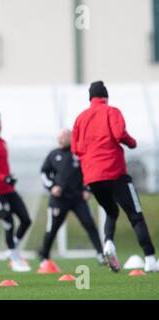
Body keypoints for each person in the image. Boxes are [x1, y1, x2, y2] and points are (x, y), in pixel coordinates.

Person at [71, 80, 158, 273]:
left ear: (90, 98)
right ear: (105, 97)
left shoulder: (80, 118)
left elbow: (75, 149)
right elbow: (119, 134)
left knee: (111, 211)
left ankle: (108, 243)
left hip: (93, 178)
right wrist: (132, 142)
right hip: (114, 172)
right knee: (135, 215)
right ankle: (151, 258)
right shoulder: (111, 111)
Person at [39, 128, 104, 265]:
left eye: (63, 137)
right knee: (52, 229)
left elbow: (89, 171)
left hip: (78, 199)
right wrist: (52, 187)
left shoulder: (80, 153)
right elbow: (44, 173)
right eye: (59, 137)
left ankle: (100, 254)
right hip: (58, 200)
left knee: (90, 225)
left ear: (70, 137)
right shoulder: (53, 154)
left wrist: (88, 189)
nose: (60, 139)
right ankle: (44, 257)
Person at [0, 111, 32, 272]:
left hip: (9, 189)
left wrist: (8, 178)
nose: (0, 125)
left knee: (26, 220)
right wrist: (2, 177)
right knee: (8, 222)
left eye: (0, 122)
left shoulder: (3, 142)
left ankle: (13, 250)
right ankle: (14, 258)